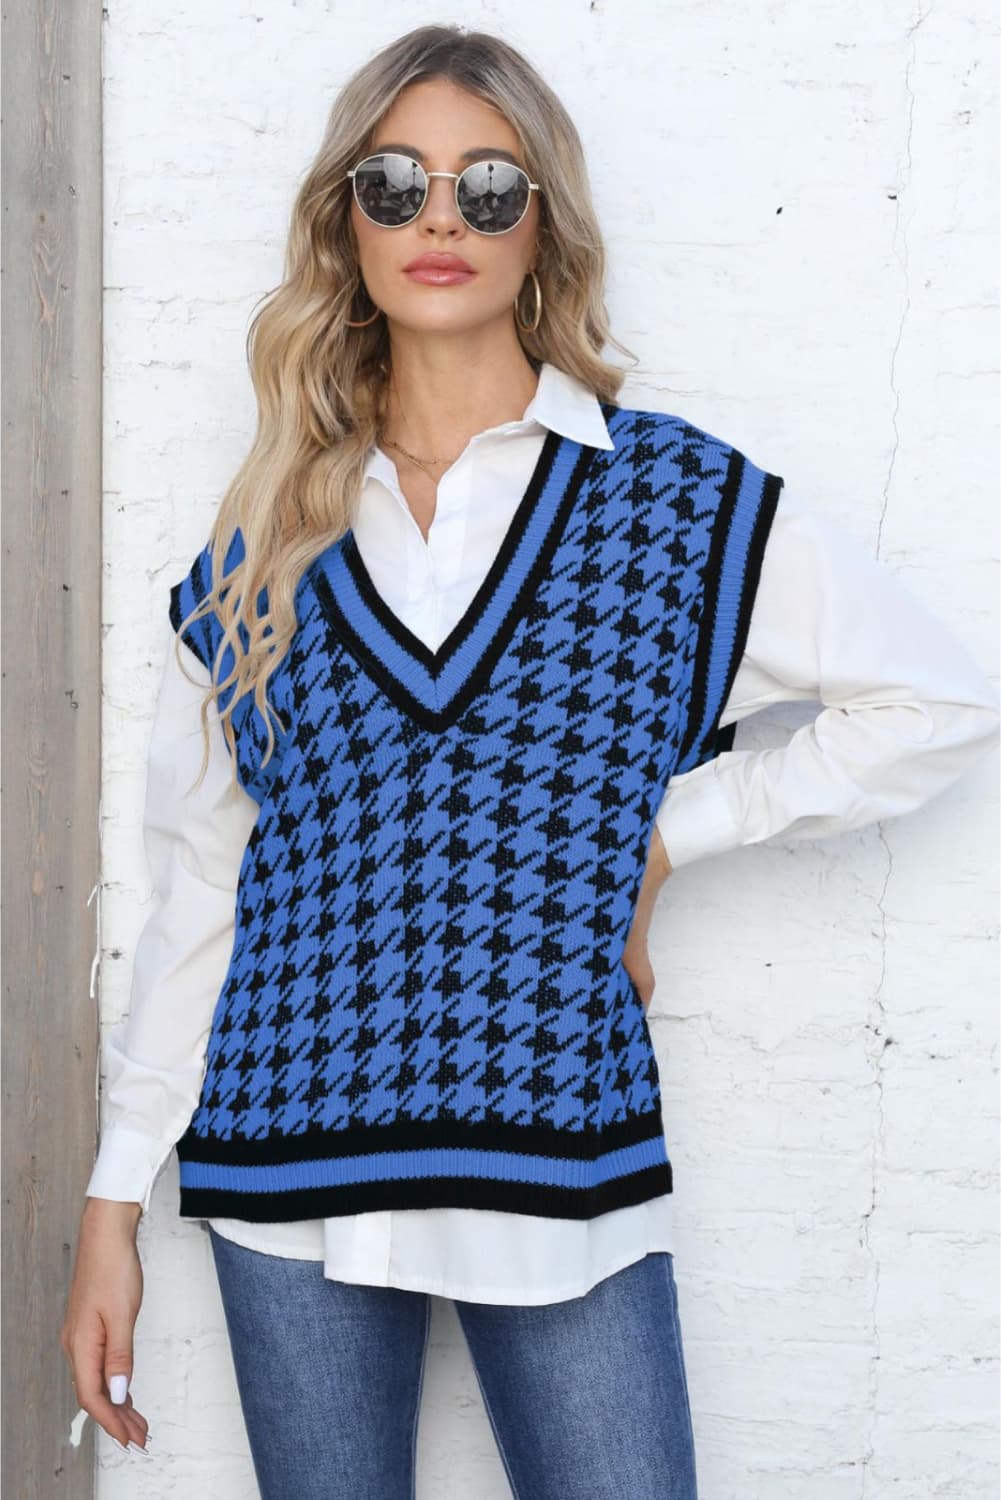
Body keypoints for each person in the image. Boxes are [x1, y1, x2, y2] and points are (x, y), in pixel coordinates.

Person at [60, 23, 1000, 1500]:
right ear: (346, 223)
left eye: (487, 186)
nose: (440, 218)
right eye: (396, 183)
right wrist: (113, 1204)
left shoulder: (670, 505)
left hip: (558, 1150)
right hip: (286, 1172)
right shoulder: (259, 552)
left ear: (541, 222)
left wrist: (666, 833)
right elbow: (203, 888)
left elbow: (935, 700)